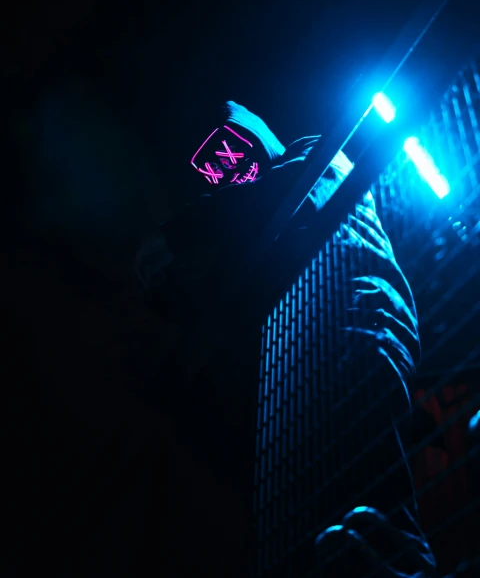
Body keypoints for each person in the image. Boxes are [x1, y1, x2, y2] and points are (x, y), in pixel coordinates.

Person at [134, 100, 472, 577]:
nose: (229, 170)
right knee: (330, 520)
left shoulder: (313, 155)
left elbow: (298, 192)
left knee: (370, 496)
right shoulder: (257, 253)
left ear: (257, 141)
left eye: (232, 153)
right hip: (306, 371)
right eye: (217, 169)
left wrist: (182, 232)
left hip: (358, 322)